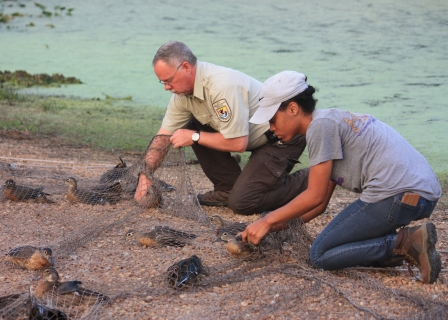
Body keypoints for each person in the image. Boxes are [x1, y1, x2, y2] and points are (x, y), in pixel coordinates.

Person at [241, 70, 442, 284]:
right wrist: (273, 226)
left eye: (272, 120)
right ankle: (394, 251)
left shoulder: (320, 127)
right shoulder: (330, 122)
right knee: (336, 243)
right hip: (422, 197)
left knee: (320, 255)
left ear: (292, 108)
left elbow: (314, 196)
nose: (271, 129)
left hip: (397, 196)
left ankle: (405, 244)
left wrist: (267, 219)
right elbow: (320, 205)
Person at [134, 41, 310, 215]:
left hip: (282, 138)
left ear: (186, 67)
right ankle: (227, 187)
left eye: (169, 80)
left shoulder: (222, 85)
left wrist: (194, 137)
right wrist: (145, 176)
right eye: (162, 83)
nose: (166, 88)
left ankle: (313, 180)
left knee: (242, 203)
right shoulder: (181, 97)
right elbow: (163, 137)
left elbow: (238, 143)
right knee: (191, 125)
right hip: (253, 138)